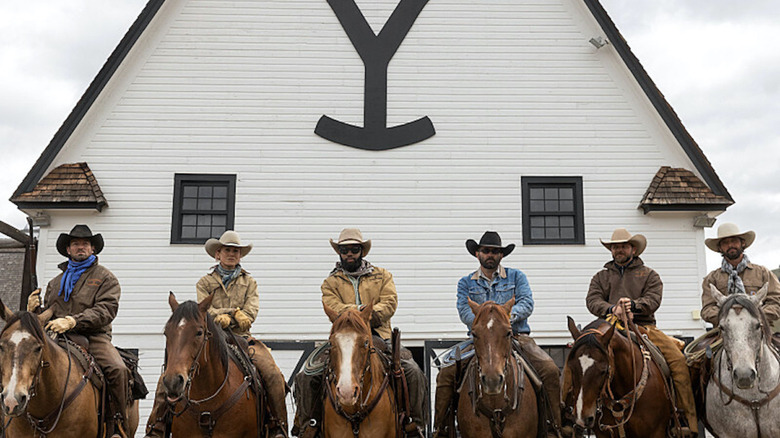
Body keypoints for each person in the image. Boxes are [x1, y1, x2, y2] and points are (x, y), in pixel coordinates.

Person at [145, 231, 288, 438]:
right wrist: (229, 314)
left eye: (236, 251)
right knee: (167, 376)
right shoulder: (204, 282)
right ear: (217, 255)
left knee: (272, 374)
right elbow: (202, 312)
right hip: (210, 337)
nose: (232, 254)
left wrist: (231, 316)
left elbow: (250, 313)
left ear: (240, 256)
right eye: (227, 250)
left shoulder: (250, 283)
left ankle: (278, 427)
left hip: (243, 338)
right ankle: (156, 427)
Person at [291, 228, 427, 438]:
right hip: (343, 336)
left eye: (354, 249)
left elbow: (389, 302)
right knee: (307, 375)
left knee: (412, 371)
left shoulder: (382, 276)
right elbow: (331, 305)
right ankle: (311, 423)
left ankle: (413, 424)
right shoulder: (330, 283)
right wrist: (359, 312)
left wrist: (366, 316)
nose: (349, 254)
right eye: (345, 250)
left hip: (378, 334)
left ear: (362, 251)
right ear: (339, 252)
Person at [433, 231, 562, 438]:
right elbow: (464, 310)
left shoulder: (516, 277)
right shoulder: (465, 283)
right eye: (486, 251)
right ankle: (441, 428)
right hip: (480, 338)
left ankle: (554, 426)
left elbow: (527, 303)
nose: (490, 255)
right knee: (446, 374)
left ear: (501, 255)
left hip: (515, 335)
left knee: (549, 369)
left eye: (495, 251)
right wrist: (485, 324)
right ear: (477, 254)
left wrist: (502, 321)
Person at [585, 228, 697, 437]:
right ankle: (571, 414)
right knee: (581, 356)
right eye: (615, 247)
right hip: (609, 325)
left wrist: (632, 306)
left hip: (644, 327)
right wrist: (612, 309)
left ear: (633, 249)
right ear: (611, 250)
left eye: (623, 246)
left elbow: (654, 299)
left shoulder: (649, 274)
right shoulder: (601, 276)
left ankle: (684, 419)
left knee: (678, 362)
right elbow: (592, 300)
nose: (619, 250)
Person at [27, 224, 131, 438]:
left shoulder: (105, 278)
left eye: (85, 243)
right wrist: (34, 311)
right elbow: (49, 314)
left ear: (93, 249)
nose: (80, 247)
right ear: (68, 250)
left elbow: (106, 310)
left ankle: (117, 424)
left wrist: (73, 321)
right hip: (57, 337)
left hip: (94, 336)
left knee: (118, 370)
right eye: (75, 244)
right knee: (20, 359)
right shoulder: (55, 283)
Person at [701, 223, 780, 327]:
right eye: (725, 243)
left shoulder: (763, 273)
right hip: (725, 331)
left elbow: (776, 302)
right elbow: (707, 309)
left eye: (734, 241)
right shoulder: (711, 279)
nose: (730, 245)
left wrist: (755, 315)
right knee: (701, 344)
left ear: (742, 243)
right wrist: (728, 316)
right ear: (720, 248)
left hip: (760, 329)